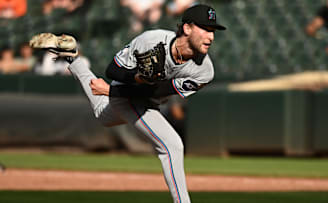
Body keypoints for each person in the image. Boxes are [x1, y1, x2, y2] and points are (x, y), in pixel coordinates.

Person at [29, 4, 226, 203]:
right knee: (172, 146)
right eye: (206, 29)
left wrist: (111, 91)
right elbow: (112, 71)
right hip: (126, 91)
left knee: (102, 114)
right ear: (187, 28)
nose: (211, 37)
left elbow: (160, 91)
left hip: (143, 97)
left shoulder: (204, 71)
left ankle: (72, 56)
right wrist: (135, 78)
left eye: (213, 31)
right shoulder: (151, 40)